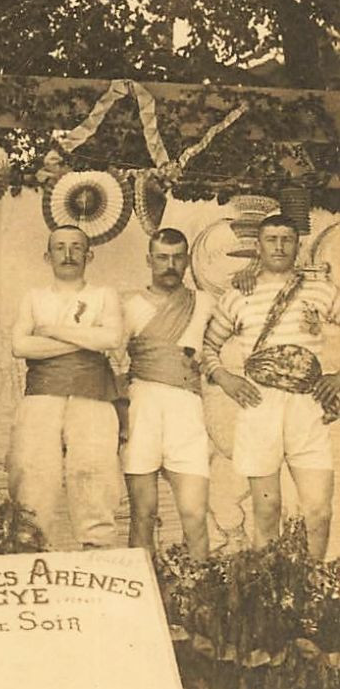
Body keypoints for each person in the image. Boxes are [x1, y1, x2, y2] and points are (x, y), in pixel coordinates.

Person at [201, 214, 340, 557]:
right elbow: (207, 348)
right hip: (259, 406)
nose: (279, 246)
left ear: (298, 245)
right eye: (271, 239)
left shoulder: (322, 289)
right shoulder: (238, 294)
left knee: (319, 511)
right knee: (266, 511)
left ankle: (311, 587)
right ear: (258, 246)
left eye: (286, 239)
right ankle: (270, 592)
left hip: (308, 407)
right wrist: (226, 377)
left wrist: (337, 377)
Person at [8, 225, 125, 550]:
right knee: (34, 471)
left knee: (93, 469)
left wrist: (51, 331)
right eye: (59, 247)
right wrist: (84, 340)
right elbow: (20, 346)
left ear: (89, 255)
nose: (68, 254)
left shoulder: (104, 295)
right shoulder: (34, 297)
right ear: (48, 256)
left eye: (76, 247)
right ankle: (32, 546)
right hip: (42, 394)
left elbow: (112, 339)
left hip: (92, 393)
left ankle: (96, 547)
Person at [119, 227, 214, 561]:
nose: (170, 265)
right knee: (143, 514)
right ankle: (141, 600)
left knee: (194, 513)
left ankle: (201, 596)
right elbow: (114, 364)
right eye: (162, 257)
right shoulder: (128, 305)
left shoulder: (204, 302)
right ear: (149, 260)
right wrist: (121, 420)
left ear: (187, 261)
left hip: (187, 408)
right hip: (142, 406)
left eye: (177, 258)